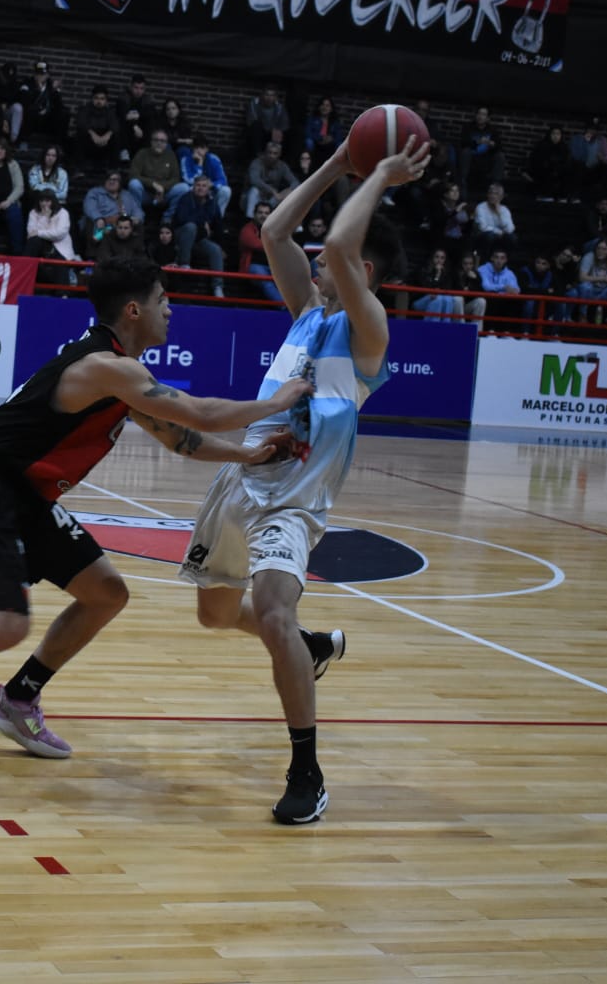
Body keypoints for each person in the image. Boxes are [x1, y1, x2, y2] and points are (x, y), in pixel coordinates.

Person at [0, 256, 313, 770]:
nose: (170, 310)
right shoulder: (106, 366)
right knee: (6, 625)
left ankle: (17, 699)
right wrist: (275, 400)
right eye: (163, 300)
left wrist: (248, 454)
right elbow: (201, 413)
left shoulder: (120, 372)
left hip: (28, 496)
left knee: (105, 593)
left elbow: (184, 440)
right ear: (133, 309)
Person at [181, 136, 429, 826]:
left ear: (364, 269)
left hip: (294, 501)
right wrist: (336, 165)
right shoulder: (309, 317)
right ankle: (310, 649)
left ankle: (306, 772)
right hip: (240, 483)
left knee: (275, 611)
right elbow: (275, 231)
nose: (318, 256)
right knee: (217, 615)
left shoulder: (368, 334)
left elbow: (342, 251)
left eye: (337, 256)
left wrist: (378, 174)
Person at [170, 173, 227, 297]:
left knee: (215, 250)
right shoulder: (185, 198)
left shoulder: (212, 203)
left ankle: (218, 287)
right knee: (191, 226)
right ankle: (184, 264)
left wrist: (222, 246)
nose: (200, 188)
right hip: (181, 236)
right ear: (193, 187)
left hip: (198, 239)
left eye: (204, 186)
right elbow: (182, 218)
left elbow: (218, 226)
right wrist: (202, 224)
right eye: (198, 185)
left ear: (208, 189)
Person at [238, 201, 284, 306]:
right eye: (260, 212)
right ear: (254, 214)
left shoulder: (276, 229)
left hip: (274, 266)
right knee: (266, 280)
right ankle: (284, 307)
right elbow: (257, 244)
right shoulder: (247, 229)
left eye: (266, 213)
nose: (263, 215)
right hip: (254, 266)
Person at [127, 129, 182, 218]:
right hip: (145, 193)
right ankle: (137, 215)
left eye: (162, 141)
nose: (159, 143)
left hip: (164, 194)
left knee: (183, 188)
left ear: (166, 144)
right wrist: (153, 184)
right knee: (134, 184)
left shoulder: (171, 155)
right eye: (156, 140)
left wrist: (162, 187)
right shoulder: (142, 153)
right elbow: (133, 175)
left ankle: (168, 217)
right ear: (151, 142)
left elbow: (176, 178)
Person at [412, 247, 463, 321]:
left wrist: (440, 274)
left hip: (439, 298)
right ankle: (432, 327)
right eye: (437, 257)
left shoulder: (447, 273)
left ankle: (445, 326)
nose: (439, 260)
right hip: (421, 300)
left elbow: (447, 289)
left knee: (448, 299)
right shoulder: (423, 270)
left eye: (442, 258)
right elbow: (426, 288)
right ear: (432, 258)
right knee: (438, 298)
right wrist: (437, 276)